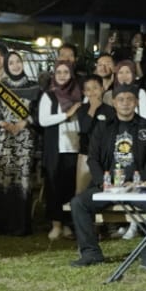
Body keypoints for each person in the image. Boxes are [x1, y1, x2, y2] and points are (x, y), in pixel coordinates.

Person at [68, 82, 146, 269]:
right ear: (114, 103)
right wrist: (103, 183)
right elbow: (93, 159)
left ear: (136, 102)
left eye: (129, 99)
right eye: (121, 100)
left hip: (137, 187)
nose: (125, 103)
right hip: (108, 187)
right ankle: (91, 253)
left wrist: (137, 181)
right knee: (78, 203)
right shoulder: (103, 127)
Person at [0, 50, 39, 236]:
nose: (15, 65)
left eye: (18, 61)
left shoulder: (34, 88)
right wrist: (2, 124)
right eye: (11, 62)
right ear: (6, 66)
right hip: (4, 140)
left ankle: (20, 226)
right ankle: (1, 225)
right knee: (3, 180)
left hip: (24, 140)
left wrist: (25, 122)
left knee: (22, 180)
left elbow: (39, 115)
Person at [37, 60, 86, 241]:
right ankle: (56, 224)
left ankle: (68, 225)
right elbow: (43, 120)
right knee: (54, 186)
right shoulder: (49, 96)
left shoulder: (79, 94)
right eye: (59, 72)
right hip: (56, 147)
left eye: (66, 72)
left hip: (74, 146)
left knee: (71, 187)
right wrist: (66, 114)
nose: (62, 76)